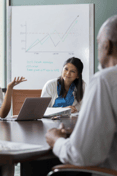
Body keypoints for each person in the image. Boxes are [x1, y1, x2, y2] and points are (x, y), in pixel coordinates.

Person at [46, 15, 117, 173]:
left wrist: (55, 140)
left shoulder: (105, 80)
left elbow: (82, 156)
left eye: (98, 44)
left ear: (107, 46)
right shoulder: (51, 85)